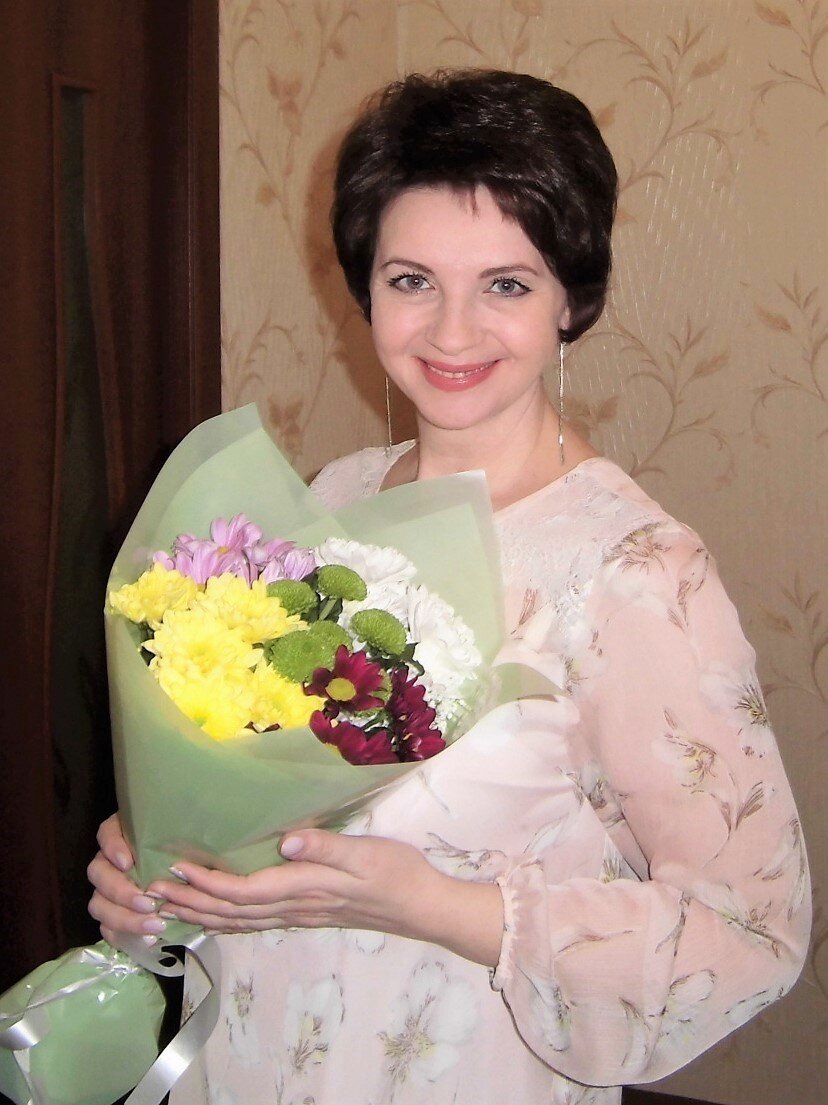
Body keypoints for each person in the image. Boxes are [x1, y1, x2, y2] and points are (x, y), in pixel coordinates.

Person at [88, 70, 810, 1104]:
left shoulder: (636, 571)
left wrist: (437, 903)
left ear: (572, 300)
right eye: (411, 280)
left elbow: (753, 930)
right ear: (365, 288)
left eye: (506, 285)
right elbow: (258, 804)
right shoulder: (332, 499)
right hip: (249, 1056)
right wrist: (162, 868)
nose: (451, 332)